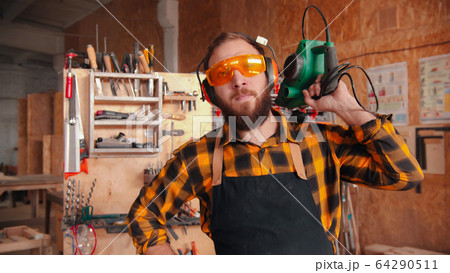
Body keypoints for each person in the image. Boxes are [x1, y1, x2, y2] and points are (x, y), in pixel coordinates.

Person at [127, 32, 423, 255]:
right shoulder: (199, 157)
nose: (239, 79)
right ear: (209, 92)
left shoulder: (320, 141)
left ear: (269, 74)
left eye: (249, 65)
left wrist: (348, 108)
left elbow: (404, 175)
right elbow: (144, 216)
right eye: (222, 73)